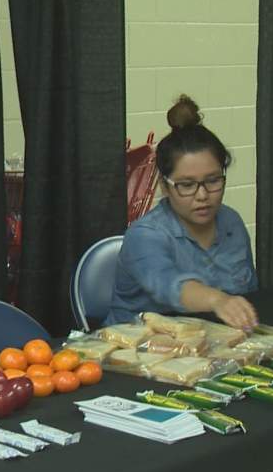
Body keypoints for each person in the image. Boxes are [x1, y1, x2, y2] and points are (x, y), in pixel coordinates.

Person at [106, 94, 259, 330]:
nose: (202, 195)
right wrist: (217, 300)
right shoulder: (145, 235)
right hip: (137, 350)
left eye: (213, 181)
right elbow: (170, 286)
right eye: (187, 185)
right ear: (164, 187)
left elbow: (248, 296)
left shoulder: (231, 222)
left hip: (212, 344)